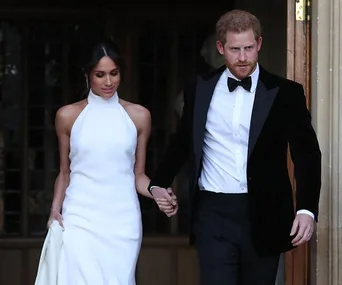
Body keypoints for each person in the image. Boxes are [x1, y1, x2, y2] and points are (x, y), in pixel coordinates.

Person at [149, 9, 321, 285]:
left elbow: (307, 154)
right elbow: (183, 141)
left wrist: (306, 209)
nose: (243, 57)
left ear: (259, 45)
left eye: (249, 48)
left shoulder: (286, 92)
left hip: (264, 212)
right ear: (221, 48)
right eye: (235, 49)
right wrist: (158, 183)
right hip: (213, 212)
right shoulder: (199, 87)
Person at [43, 37, 174, 284]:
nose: (108, 81)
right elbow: (65, 172)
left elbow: (138, 176)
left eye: (114, 73)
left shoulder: (139, 116)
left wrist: (158, 192)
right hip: (79, 217)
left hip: (122, 220)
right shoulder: (67, 116)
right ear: (87, 75)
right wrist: (54, 210)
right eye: (100, 74)